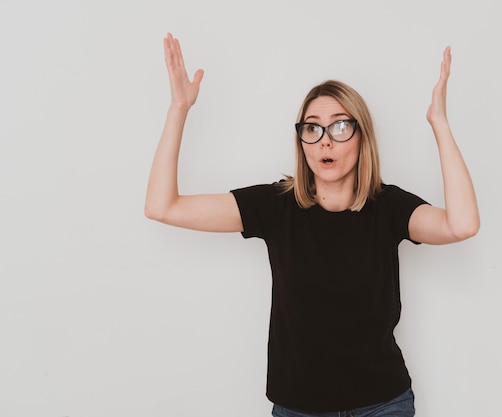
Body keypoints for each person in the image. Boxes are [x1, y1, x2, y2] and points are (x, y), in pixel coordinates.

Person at [145, 33, 479, 417]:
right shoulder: (274, 206)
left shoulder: (388, 207)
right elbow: (161, 206)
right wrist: (178, 109)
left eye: (340, 127)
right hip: (299, 408)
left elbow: (462, 225)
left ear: (361, 136)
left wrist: (439, 124)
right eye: (312, 128)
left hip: (383, 405)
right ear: (302, 139)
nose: (325, 141)